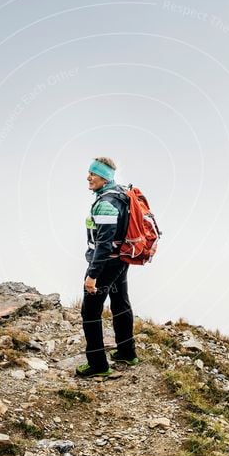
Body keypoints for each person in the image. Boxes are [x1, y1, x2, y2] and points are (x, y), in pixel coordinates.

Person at [77, 157, 139, 378]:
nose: (88, 177)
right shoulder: (120, 193)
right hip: (121, 260)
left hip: (105, 263)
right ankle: (126, 352)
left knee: (90, 312)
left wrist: (92, 275)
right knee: (120, 302)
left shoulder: (106, 203)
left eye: (93, 174)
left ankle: (98, 365)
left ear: (105, 177)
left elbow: (103, 244)